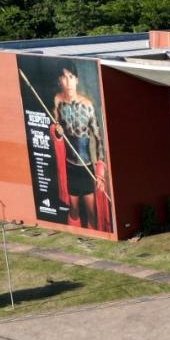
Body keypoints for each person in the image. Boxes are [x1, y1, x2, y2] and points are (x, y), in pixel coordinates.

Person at [51, 66, 107, 230]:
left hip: (86, 167)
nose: (67, 81)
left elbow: (99, 139)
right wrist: (58, 133)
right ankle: (75, 237)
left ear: (77, 80)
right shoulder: (58, 100)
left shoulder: (88, 105)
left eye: (70, 76)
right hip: (69, 166)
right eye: (63, 77)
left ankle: (96, 239)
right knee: (73, 210)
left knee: (91, 211)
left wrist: (100, 172)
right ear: (59, 81)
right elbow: (56, 129)